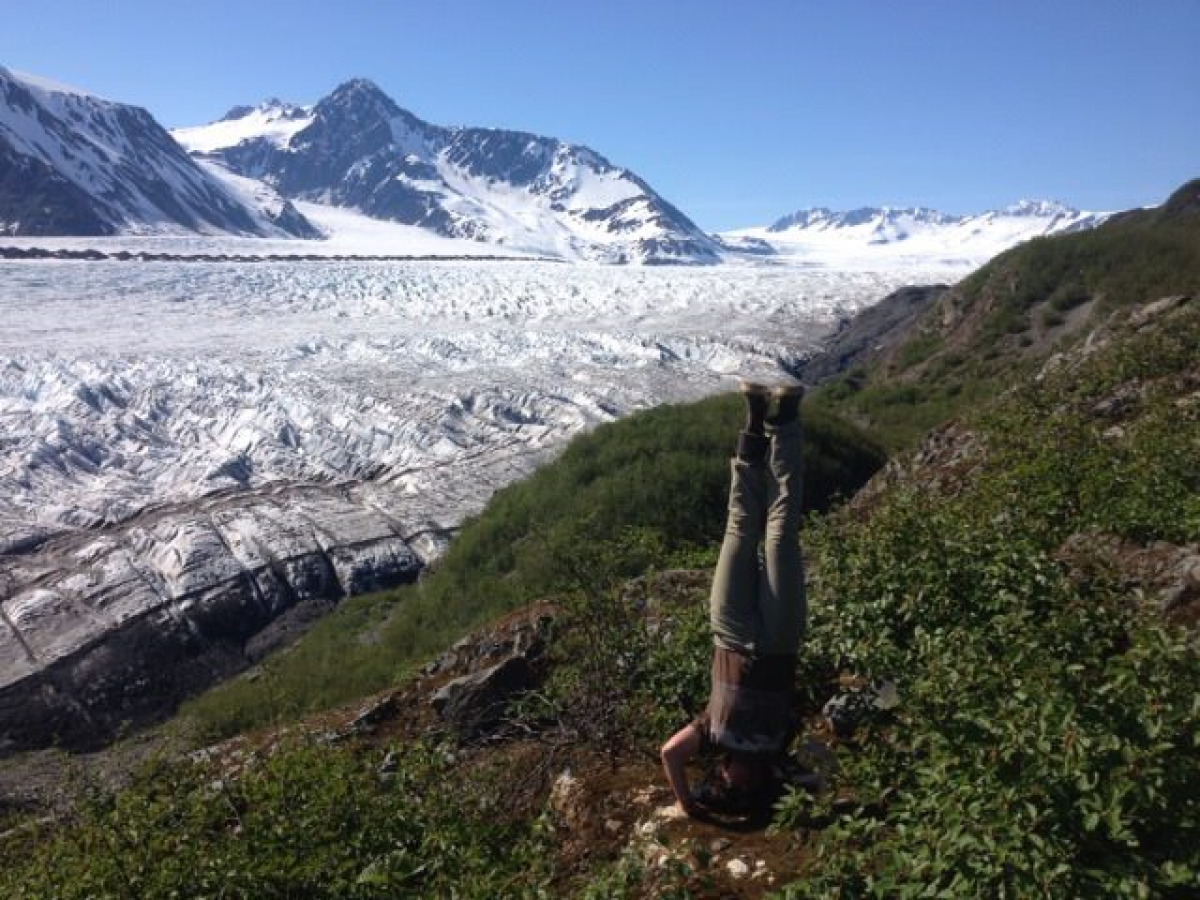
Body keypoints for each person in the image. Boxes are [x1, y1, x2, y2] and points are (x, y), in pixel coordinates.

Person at [660, 379, 806, 817]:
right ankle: (786, 423)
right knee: (779, 536)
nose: (726, 778)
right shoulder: (780, 754)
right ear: (758, 787)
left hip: (730, 632)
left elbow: (670, 754)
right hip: (780, 638)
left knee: (740, 527)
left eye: (721, 783)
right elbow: (821, 776)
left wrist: (687, 804)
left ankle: (755, 419)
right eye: (733, 788)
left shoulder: (712, 735)